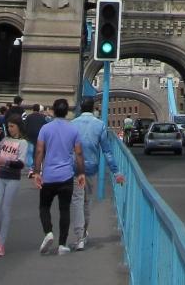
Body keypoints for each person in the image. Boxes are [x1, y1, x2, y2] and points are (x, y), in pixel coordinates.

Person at [33, 98, 85, 255]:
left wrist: (37, 172)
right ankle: (62, 244)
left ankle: (48, 232)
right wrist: (81, 173)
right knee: (64, 209)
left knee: (44, 206)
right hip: (66, 176)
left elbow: (39, 151)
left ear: (54, 111)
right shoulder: (74, 130)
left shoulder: (45, 128)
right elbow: (78, 153)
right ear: (67, 111)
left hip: (49, 175)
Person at [72, 98, 124, 250]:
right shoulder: (100, 125)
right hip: (91, 168)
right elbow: (107, 151)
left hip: (75, 168)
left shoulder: (72, 124)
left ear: (81, 107)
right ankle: (83, 233)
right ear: (93, 108)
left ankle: (80, 236)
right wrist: (116, 172)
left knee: (77, 201)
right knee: (86, 201)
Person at [0, 115, 30, 257]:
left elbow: (21, 163)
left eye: (12, 126)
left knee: (5, 210)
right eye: (8, 126)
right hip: (1, 177)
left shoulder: (23, 143)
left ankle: (1, 244)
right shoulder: (5, 140)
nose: (10, 129)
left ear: (18, 126)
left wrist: (5, 162)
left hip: (13, 179)